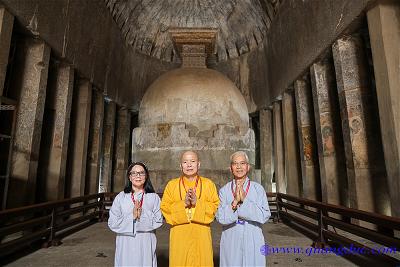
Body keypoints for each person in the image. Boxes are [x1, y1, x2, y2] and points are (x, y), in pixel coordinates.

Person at [160, 151, 219, 266]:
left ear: (199, 164)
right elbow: (165, 208)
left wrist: (198, 203)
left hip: (201, 234)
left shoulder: (208, 184)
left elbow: (215, 207)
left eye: (192, 161)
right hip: (180, 235)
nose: (189, 165)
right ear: (180, 165)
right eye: (185, 162)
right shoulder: (172, 185)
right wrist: (183, 204)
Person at [216, 151, 271, 266]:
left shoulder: (258, 189)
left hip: (252, 235)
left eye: (242, 163)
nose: (239, 167)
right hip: (232, 236)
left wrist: (245, 201)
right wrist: (234, 202)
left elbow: (264, 215)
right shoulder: (224, 191)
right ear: (230, 168)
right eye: (235, 164)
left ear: (248, 167)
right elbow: (220, 218)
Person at [108, 162, 163, 267]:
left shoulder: (153, 197)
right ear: (129, 177)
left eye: (141, 173)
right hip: (126, 243)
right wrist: (132, 217)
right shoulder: (121, 197)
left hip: (146, 242)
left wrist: (142, 214)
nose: (138, 176)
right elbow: (112, 222)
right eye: (134, 173)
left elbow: (159, 220)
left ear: (146, 176)